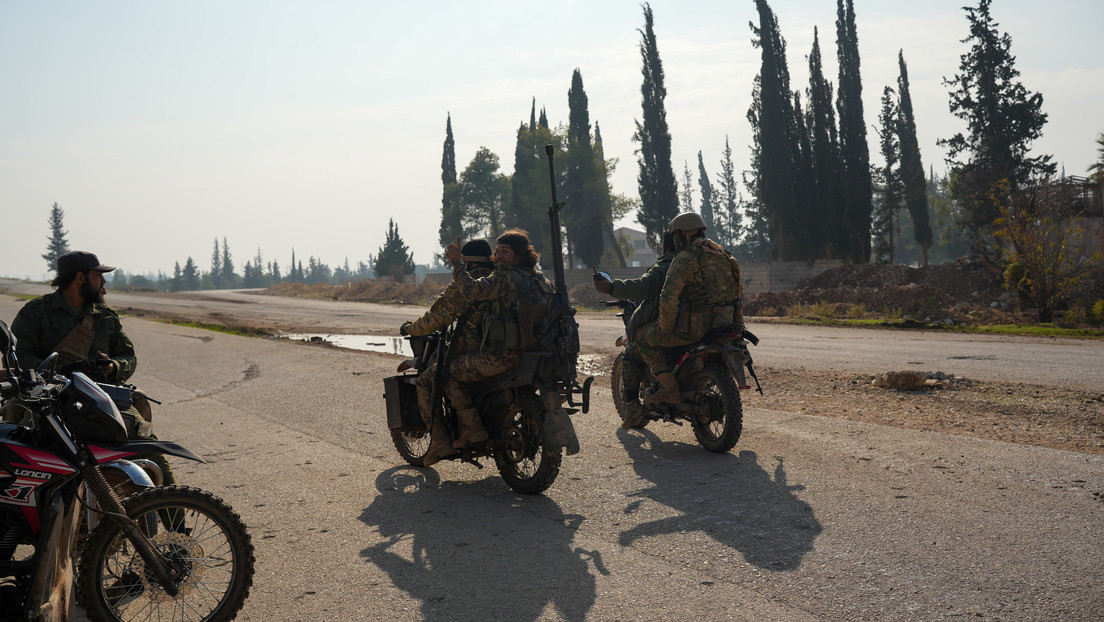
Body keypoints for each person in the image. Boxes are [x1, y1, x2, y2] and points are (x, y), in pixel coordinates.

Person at [8, 250, 175, 484]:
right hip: (50, 401)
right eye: (98, 275)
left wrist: (113, 367)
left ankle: (174, 516)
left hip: (107, 400)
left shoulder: (106, 317)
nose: (103, 281)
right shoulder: (36, 313)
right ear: (80, 278)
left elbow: (128, 355)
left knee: (152, 456)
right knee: (26, 456)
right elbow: (19, 356)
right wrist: (55, 373)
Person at [444, 228, 548, 448]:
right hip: (536, 355)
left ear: (519, 255)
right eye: (498, 251)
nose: (498, 256)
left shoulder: (504, 277)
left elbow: (472, 291)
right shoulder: (539, 279)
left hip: (505, 356)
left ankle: (473, 430)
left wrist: (456, 263)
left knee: (449, 372)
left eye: (505, 252)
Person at [399, 239, 495, 465]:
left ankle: (441, 441)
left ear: (466, 263)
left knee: (427, 380)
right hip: (501, 351)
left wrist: (409, 328)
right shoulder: (499, 280)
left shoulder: (466, 286)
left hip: (471, 352)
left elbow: (435, 319)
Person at [635, 212, 744, 405]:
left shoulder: (685, 258)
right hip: (724, 327)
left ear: (682, 235)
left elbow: (668, 297)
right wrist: (739, 329)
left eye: (675, 235)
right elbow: (738, 298)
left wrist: (664, 327)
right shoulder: (726, 257)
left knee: (642, 337)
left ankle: (669, 389)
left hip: (693, 331)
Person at [594, 231, 677, 428]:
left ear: (667, 246)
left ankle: (631, 405)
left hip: (678, 326)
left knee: (633, 351)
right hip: (713, 325)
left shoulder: (672, 264)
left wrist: (612, 287)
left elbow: (645, 286)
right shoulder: (716, 261)